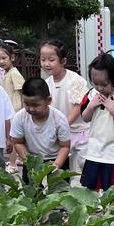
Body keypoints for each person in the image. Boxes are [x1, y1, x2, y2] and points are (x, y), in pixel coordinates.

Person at [80, 53, 114, 194]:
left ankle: (112, 214)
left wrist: (113, 110)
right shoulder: (91, 95)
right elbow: (85, 118)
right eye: (95, 83)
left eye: (104, 84)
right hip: (95, 150)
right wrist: (91, 106)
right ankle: (93, 212)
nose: (99, 88)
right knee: (92, 185)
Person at [10, 77, 70, 184]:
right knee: (31, 192)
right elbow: (18, 142)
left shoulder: (59, 119)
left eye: (35, 105)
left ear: (49, 100)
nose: (31, 109)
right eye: (27, 104)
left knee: (60, 191)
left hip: (56, 157)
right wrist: (28, 162)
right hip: (31, 158)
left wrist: (56, 165)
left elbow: (65, 146)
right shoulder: (20, 117)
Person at [40, 40, 87, 176]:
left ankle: (95, 195)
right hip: (60, 135)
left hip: (81, 132)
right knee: (62, 172)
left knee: (88, 168)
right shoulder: (46, 84)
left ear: (63, 61)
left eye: (51, 59)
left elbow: (79, 106)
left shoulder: (76, 80)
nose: (46, 64)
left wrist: (63, 125)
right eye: (43, 59)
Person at [0, 40, 25, 173]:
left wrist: (24, 110)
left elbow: (23, 91)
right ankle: (18, 159)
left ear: (12, 58)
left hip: (15, 110)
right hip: (9, 111)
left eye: (4, 58)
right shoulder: (4, 73)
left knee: (13, 139)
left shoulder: (14, 73)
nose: (1, 61)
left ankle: (13, 164)